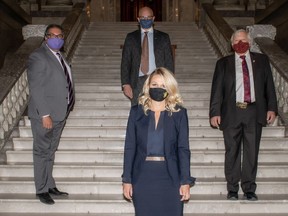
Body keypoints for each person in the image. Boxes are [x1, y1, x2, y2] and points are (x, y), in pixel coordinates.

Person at [209, 29, 277, 201]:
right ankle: (232, 189)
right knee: (232, 151)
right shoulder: (223, 63)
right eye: (237, 41)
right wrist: (215, 112)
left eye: (244, 40)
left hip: (254, 111)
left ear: (250, 41)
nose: (240, 43)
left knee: (251, 152)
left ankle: (249, 189)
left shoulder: (261, 60)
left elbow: (269, 86)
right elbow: (217, 90)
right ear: (232, 44)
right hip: (231, 112)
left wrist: (272, 108)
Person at [122, 67, 195, 216]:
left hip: (171, 177)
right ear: (148, 86)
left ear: (170, 88)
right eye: (154, 85)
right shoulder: (136, 112)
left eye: (163, 85)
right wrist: (127, 180)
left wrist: (185, 181)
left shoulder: (179, 114)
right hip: (142, 176)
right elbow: (130, 147)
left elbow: (183, 149)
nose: (158, 88)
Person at [27, 24, 75, 205]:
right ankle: (41, 189)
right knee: (41, 151)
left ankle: (49, 184)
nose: (57, 38)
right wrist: (44, 114)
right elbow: (36, 88)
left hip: (60, 113)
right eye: (53, 35)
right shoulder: (38, 56)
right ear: (46, 37)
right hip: (45, 115)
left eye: (60, 35)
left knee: (50, 151)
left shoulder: (61, 56)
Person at [121, 6, 174, 106]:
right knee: (137, 115)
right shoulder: (131, 38)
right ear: (138, 19)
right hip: (137, 82)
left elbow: (169, 62)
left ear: (153, 18)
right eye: (143, 17)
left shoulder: (163, 37)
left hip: (158, 81)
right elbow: (125, 62)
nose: (146, 20)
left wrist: (169, 82)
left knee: (158, 114)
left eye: (148, 18)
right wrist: (125, 84)